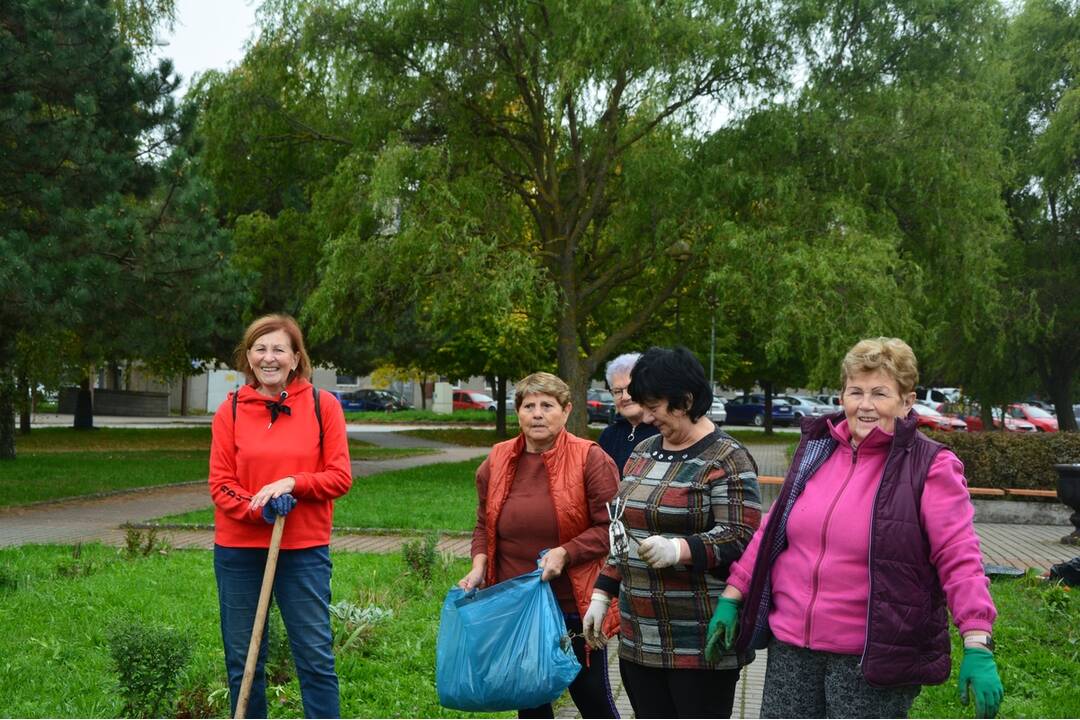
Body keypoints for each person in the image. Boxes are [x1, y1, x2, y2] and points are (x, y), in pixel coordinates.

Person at [707, 337, 1004, 719]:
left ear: (907, 401)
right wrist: (732, 597)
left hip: (870, 658)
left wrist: (977, 640)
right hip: (791, 648)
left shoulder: (930, 465)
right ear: (842, 396)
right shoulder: (817, 450)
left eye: (880, 393)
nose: (865, 405)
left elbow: (959, 557)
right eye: (855, 392)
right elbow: (772, 530)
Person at [583, 347, 761, 719]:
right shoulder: (643, 452)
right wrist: (601, 594)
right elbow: (622, 531)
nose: (647, 417)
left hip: (698, 641)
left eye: (654, 406)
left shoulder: (728, 458)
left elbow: (740, 535)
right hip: (639, 636)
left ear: (686, 401)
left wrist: (680, 549)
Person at [209, 313, 353, 719]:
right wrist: (260, 508)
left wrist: (294, 483)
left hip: (303, 549)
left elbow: (339, 477)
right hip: (238, 551)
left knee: (315, 657)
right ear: (248, 357)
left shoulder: (323, 406)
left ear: (295, 358)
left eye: (278, 349)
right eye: (260, 348)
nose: (268, 357)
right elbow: (221, 484)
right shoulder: (230, 410)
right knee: (244, 660)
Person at [459, 372, 622, 719]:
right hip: (517, 604)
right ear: (518, 412)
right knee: (530, 702)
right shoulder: (498, 458)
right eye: (528, 406)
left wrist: (566, 552)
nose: (537, 414)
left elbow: (612, 527)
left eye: (547, 405)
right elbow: (484, 524)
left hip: (573, 604)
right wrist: (478, 566)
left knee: (591, 698)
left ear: (566, 411)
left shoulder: (590, 458)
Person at [597, 352, 660, 477]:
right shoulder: (608, 436)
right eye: (617, 391)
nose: (625, 397)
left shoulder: (664, 431)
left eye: (631, 388)